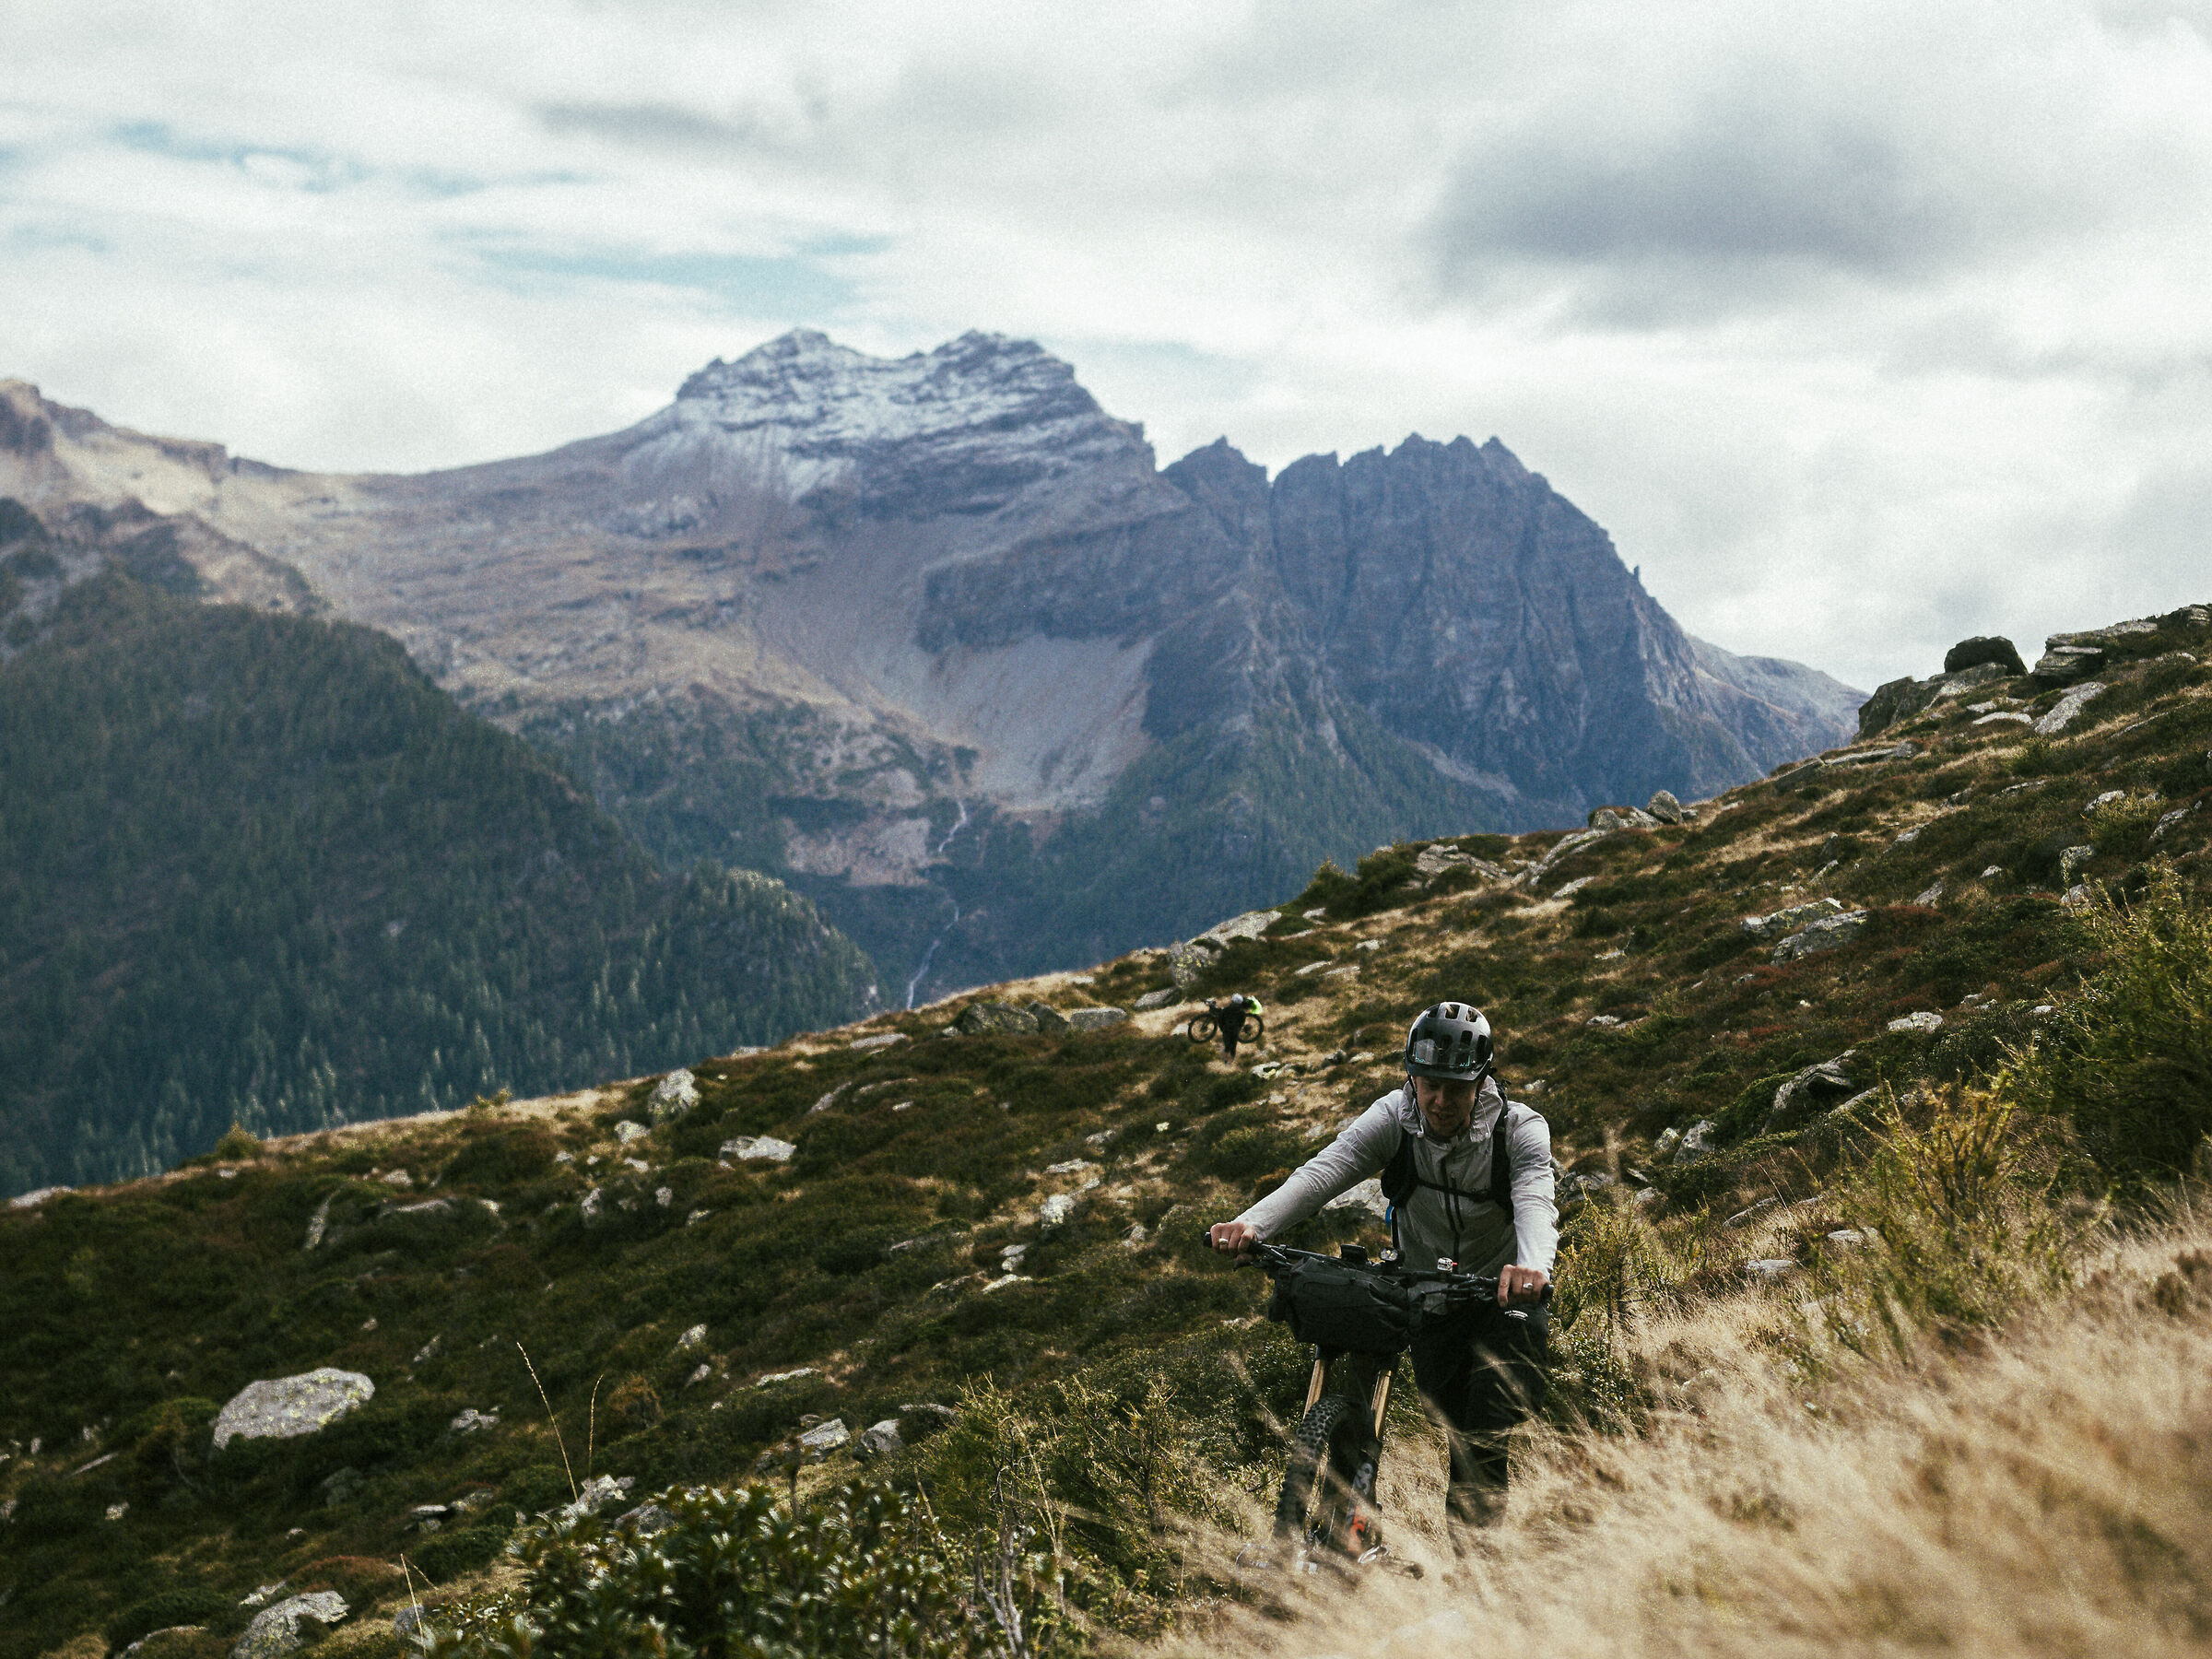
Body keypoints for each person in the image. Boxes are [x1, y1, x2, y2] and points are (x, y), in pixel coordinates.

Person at [1208, 1001, 1555, 1540]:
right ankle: (1345, 1531)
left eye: (1456, 1089)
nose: (1440, 1101)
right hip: (1425, 1292)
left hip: (1500, 1296)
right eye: (1429, 1085)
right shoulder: (1395, 1116)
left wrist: (1530, 1268)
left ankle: (1476, 1562)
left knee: (1481, 1435)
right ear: (1411, 1076)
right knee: (1441, 1411)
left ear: (1482, 1082)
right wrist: (1253, 1224)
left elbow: (1534, 1200)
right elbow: (1324, 1173)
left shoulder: (1519, 1130)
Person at [1210, 992, 1262, 1061]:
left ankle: (1226, 1061)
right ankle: (1231, 1060)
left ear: (1232, 1001)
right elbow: (1242, 1022)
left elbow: (1220, 1019)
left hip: (1227, 1030)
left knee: (1227, 1046)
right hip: (1235, 1031)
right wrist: (1238, 1028)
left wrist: (1222, 1029)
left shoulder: (1226, 1010)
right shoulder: (1241, 1012)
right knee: (1233, 1046)